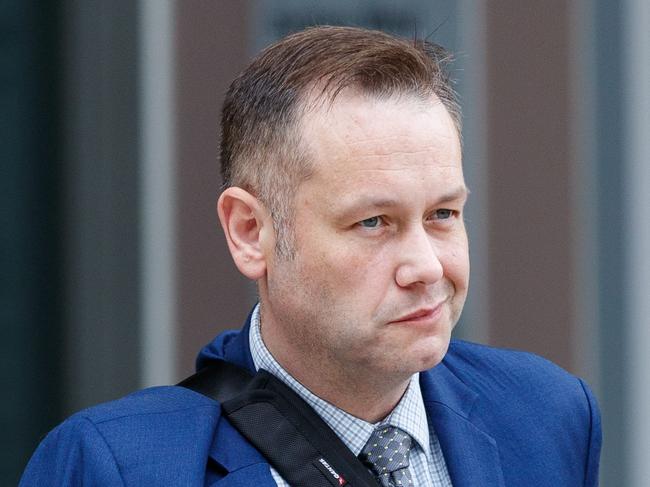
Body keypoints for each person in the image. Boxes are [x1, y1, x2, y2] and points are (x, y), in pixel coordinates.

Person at [21, 26, 601, 486]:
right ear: (250, 231)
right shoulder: (118, 466)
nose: (427, 267)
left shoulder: (547, 414)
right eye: (373, 222)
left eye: (443, 214)